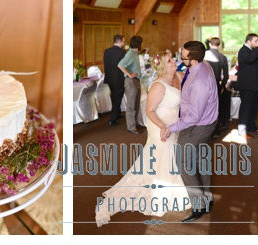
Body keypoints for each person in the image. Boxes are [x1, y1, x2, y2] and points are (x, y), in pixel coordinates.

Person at [95, 52, 189, 226]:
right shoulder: (158, 86)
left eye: (173, 59)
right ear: (161, 66)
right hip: (159, 125)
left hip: (174, 125)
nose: (174, 62)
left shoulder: (179, 75)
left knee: (171, 155)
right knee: (162, 154)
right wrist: (162, 127)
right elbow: (149, 111)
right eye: (169, 61)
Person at [162, 41, 219, 223]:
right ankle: (206, 199)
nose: (181, 58)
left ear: (193, 59)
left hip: (199, 125)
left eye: (183, 56)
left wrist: (170, 128)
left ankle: (198, 206)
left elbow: (194, 116)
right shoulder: (202, 65)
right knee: (200, 160)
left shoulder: (200, 81)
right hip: (203, 121)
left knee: (184, 162)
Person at [204, 37, 230, 137]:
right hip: (216, 84)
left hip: (204, 84)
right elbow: (226, 76)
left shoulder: (203, 56)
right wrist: (222, 86)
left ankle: (204, 130)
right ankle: (214, 131)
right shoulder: (223, 57)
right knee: (215, 108)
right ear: (219, 45)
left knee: (204, 107)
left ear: (210, 44)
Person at [237, 33, 258, 139]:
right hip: (247, 86)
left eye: (257, 41)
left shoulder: (251, 51)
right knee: (246, 108)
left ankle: (251, 127)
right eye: (255, 41)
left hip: (254, 85)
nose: (257, 43)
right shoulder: (243, 50)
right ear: (249, 41)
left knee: (253, 107)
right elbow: (250, 60)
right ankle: (242, 131)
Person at [118, 36, 143, 134]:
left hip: (136, 81)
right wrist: (129, 74)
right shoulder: (130, 54)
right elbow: (120, 65)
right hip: (131, 81)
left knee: (136, 104)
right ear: (139, 44)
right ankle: (131, 127)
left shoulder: (135, 53)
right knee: (131, 105)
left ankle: (134, 124)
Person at [103, 34, 126, 126]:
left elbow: (106, 65)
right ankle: (112, 118)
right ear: (120, 41)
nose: (124, 43)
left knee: (114, 96)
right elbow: (123, 66)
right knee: (118, 98)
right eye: (124, 41)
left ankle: (117, 112)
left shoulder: (107, 51)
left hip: (109, 78)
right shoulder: (122, 52)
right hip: (119, 78)